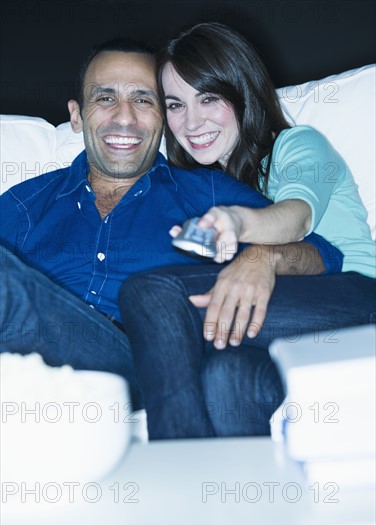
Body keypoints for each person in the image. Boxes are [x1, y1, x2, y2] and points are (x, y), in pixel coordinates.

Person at [0, 37, 339, 417]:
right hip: (23, 366)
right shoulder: (24, 204)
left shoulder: (207, 193)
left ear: (163, 116)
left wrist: (262, 258)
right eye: (106, 98)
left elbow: (323, 255)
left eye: (143, 100)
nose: (125, 117)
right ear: (77, 116)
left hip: (142, 366)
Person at [119, 23, 376, 438]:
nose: (192, 121)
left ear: (242, 93)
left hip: (359, 302)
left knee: (153, 293)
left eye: (208, 98)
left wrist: (240, 223)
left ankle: (176, 468)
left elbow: (297, 217)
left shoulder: (296, 145)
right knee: (226, 374)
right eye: (176, 104)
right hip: (285, 331)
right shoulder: (199, 186)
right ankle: (236, 499)